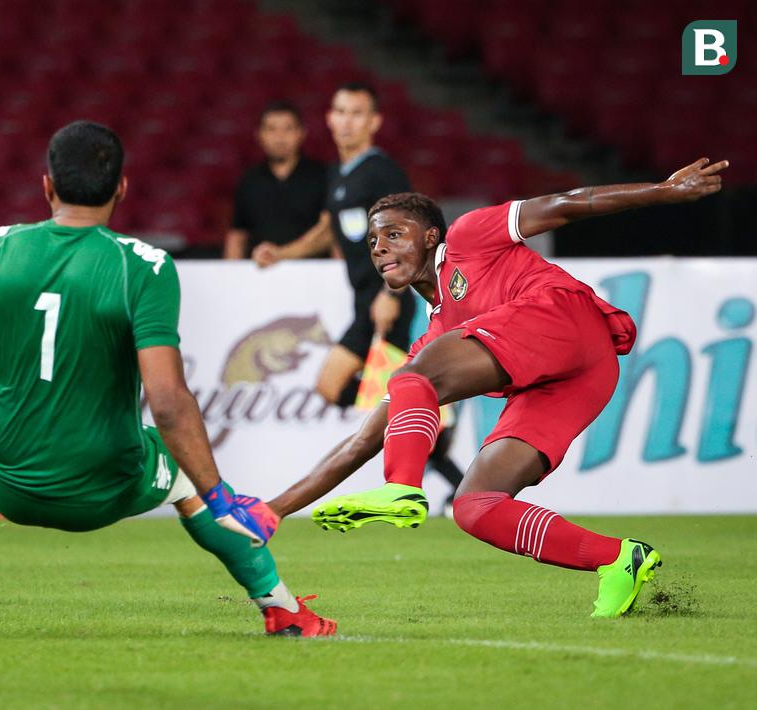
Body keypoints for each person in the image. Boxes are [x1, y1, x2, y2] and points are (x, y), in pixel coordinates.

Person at [0, 121, 334, 637]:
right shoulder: (143, 266)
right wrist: (220, 496)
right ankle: (282, 609)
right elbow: (167, 403)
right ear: (121, 188)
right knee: (186, 480)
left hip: (9, 483)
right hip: (102, 488)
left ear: (46, 185)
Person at [265, 157, 728, 618]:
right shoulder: (432, 339)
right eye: (372, 240)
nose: (379, 248)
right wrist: (276, 510)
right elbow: (364, 440)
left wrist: (662, 192)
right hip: (579, 377)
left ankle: (401, 489)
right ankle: (618, 558)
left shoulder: (467, 238)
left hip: (564, 318)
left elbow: (564, 204)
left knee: (412, 379)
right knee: (475, 506)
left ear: (430, 237)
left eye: (392, 234)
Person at [252, 84, 417, 409]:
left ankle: (429, 430)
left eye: (357, 114)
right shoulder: (338, 174)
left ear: (374, 122)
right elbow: (329, 231)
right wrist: (280, 253)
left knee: (335, 384)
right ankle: (434, 436)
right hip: (365, 302)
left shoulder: (382, 172)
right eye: (341, 112)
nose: (347, 122)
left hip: (387, 305)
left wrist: (392, 294)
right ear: (329, 118)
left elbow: (409, 236)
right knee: (381, 398)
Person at [223, 101, 327, 260]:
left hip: (311, 275)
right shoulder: (249, 182)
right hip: (260, 275)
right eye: (271, 129)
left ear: (301, 133)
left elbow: (331, 234)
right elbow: (237, 236)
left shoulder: (323, 177)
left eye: (288, 128)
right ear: (259, 135)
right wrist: (229, 277)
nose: (280, 137)